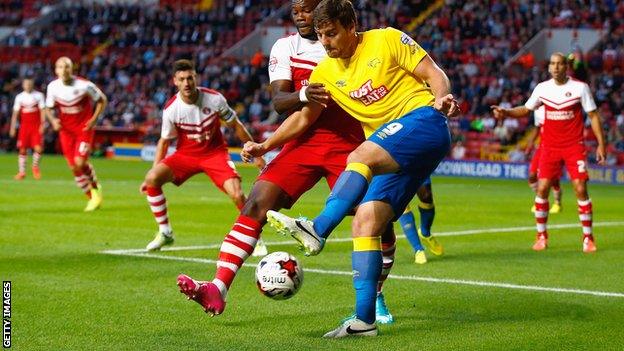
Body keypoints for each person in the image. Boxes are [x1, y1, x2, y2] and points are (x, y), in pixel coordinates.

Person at [176, 0, 401, 324]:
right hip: (303, 139)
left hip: (352, 144)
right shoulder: (285, 47)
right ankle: (218, 288)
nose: (300, 15)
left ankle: (375, 292)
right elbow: (281, 102)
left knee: (377, 220)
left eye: (307, 9)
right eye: (295, 10)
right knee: (257, 201)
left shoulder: (348, 45)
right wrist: (286, 117)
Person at [244, 0, 458, 337]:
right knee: (365, 223)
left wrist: (442, 98)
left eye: (331, 34)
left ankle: (318, 228)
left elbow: (434, 73)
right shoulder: (325, 72)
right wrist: (265, 145)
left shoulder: (387, 40)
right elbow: (303, 118)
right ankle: (364, 321)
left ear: (351, 28)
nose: (325, 42)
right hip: (392, 149)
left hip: (425, 121)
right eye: (320, 35)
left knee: (359, 155)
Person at [141, 59, 265, 251]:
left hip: (215, 154)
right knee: (152, 178)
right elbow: (164, 142)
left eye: (190, 78)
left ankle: (253, 237)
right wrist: (155, 168)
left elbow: (236, 125)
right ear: (175, 81)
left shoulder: (214, 99)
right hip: (186, 155)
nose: (186, 83)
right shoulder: (171, 109)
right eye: (181, 79)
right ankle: (165, 232)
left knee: (237, 193)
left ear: (195, 77)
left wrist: (256, 153)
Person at [492, 52, 605, 253]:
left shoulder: (580, 88)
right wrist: (506, 112)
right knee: (542, 188)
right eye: (552, 64)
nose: (555, 67)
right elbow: (526, 109)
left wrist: (601, 144)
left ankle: (588, 238)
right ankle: (541, 236)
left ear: (566, 67)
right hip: (549, 147)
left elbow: (594, 116)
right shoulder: (542, 89)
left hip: (574, 146)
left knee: (580, 188)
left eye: (559, 64)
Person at [45, 57, 107, 212]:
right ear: (56, 70)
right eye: (60, 67)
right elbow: (48, 107)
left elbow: (102, 100)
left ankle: (95, 188)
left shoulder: (85, 85)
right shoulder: (52, 87)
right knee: (74, 168)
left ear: (72, 69)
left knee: (80, 163)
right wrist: (53, 120)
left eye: (67, 67)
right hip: (66, 131)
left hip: (83, 129)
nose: (64, 70)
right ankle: (92, 197)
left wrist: (93, 119)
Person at [526, 106, 563, 214]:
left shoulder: (557, 107)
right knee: (532, 176)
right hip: (542, 147)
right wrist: (530, 144)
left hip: (555, 147)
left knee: (553, 179)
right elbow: (537, 128)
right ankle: (540, 199)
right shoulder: (538, 110)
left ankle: (557, 203)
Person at [10, 77, 45, 180]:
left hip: (36, 126)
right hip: (24, 127)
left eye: (30, 84)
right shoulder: (19, 97)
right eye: (26, 84)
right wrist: (12, 127)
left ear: (32, 84)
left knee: (38, 148)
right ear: (23, 85)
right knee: (22, 149)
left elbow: (43, 110)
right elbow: (15, 114)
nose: (28, 86)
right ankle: (22, 173)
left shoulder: (39, 95)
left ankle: (35, 166)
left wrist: (43, 124)